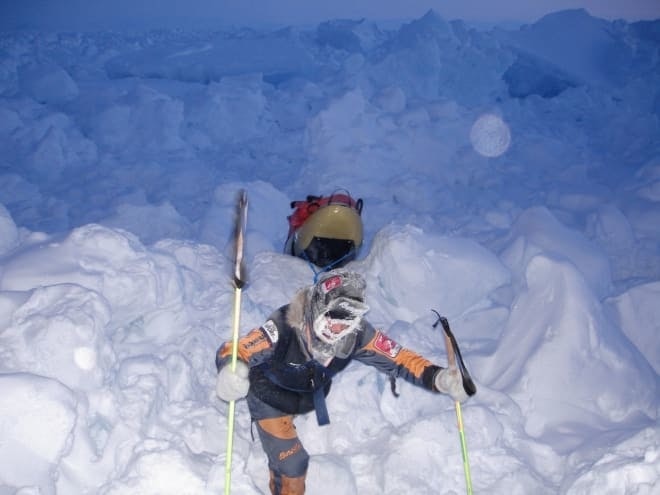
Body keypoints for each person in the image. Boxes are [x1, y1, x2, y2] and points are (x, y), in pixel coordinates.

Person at [215, 269, 470, 495]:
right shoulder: (284, 325)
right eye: (332, 321)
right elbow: (237, 349)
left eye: (345, 324)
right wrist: (231, 369)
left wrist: (438, 377)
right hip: (269, 395)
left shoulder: (357, 335)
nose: (337, 331)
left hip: (306, 394)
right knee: (293, 464)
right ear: (316, 309)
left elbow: (399, 358)